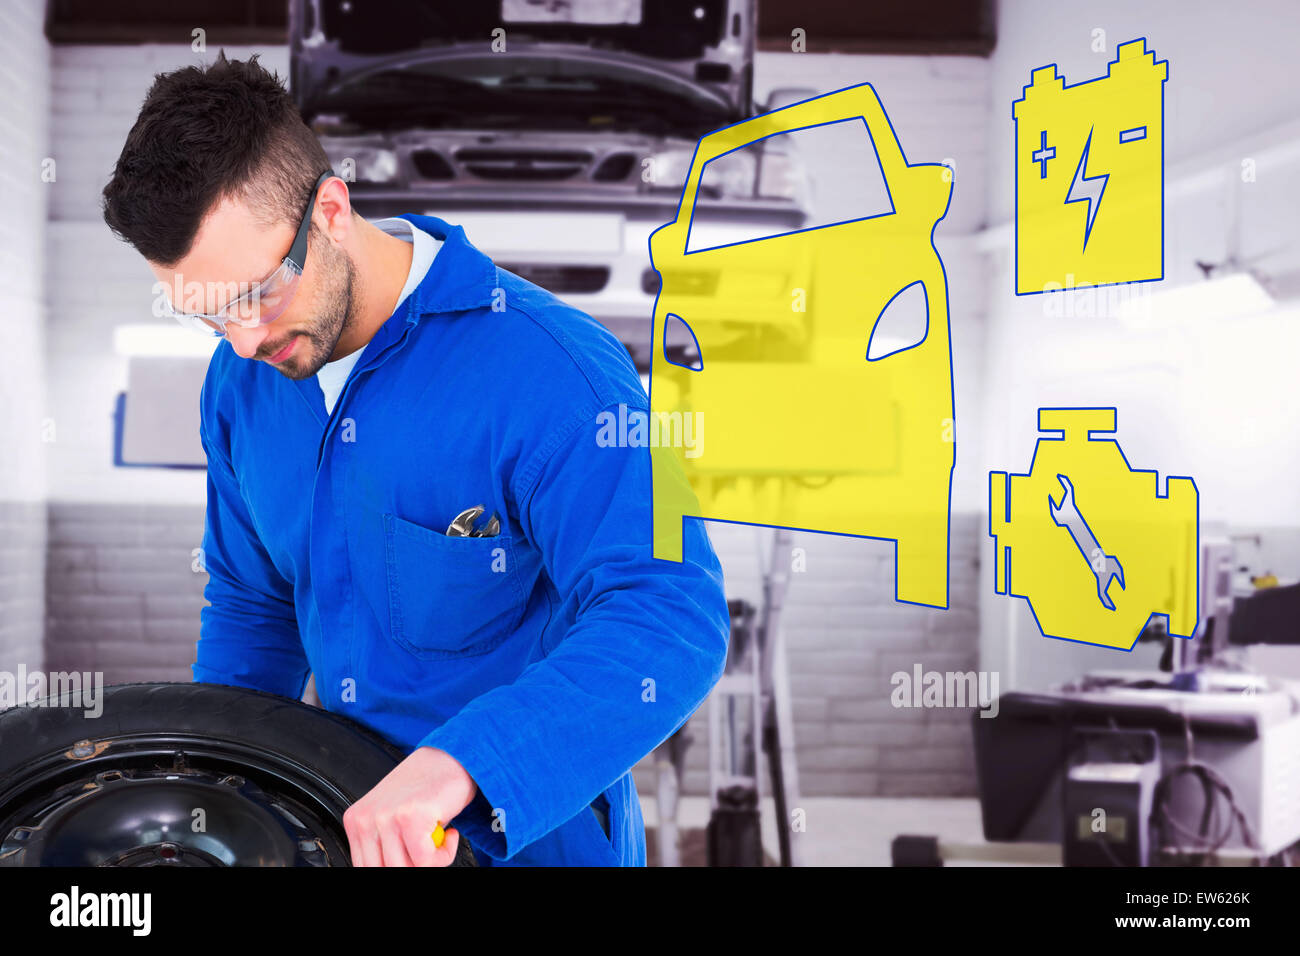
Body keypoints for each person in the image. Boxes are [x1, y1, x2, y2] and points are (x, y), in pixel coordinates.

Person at [100, 51, 729, 867]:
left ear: (329, 209)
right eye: (207, 315)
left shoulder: (551, 372)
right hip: (338, 826)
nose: (244, 338)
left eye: (255, 293)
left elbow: (669, 612)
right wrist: (210, 800)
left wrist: (463, 765)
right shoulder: (241, 384)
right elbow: (255, 607)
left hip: (534, 843)